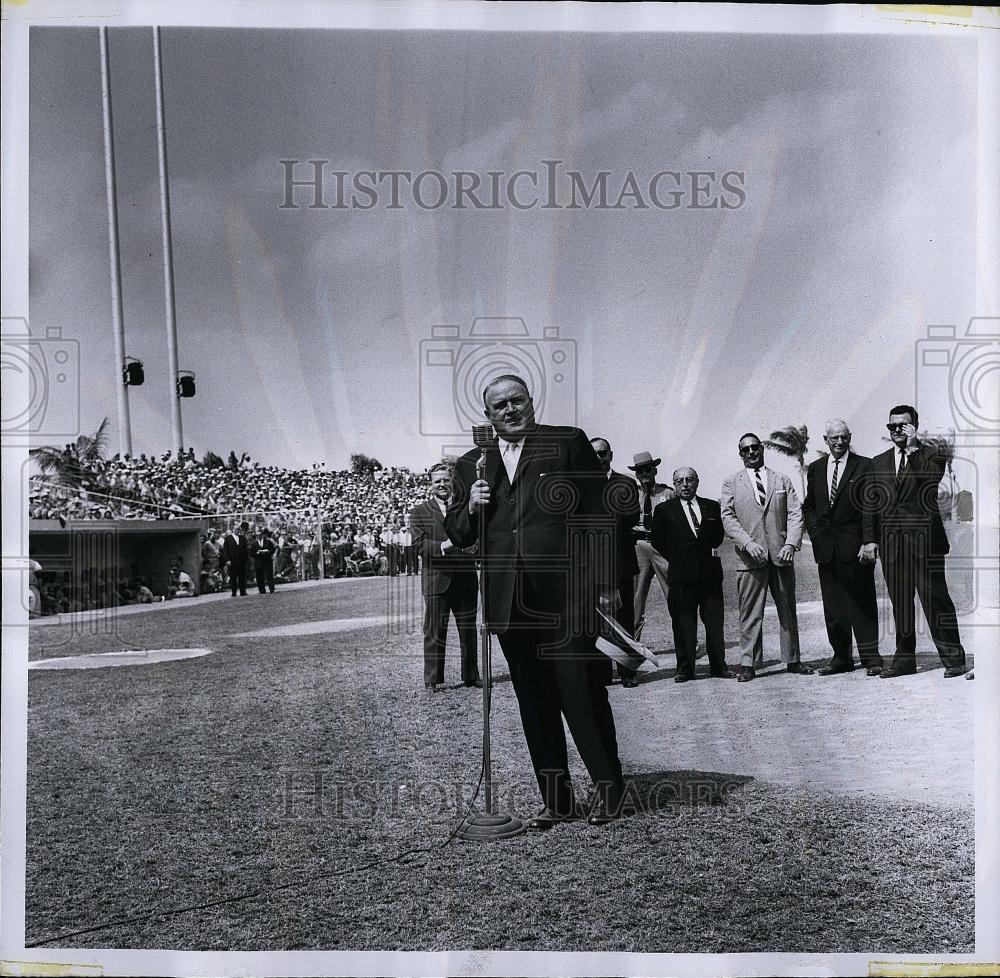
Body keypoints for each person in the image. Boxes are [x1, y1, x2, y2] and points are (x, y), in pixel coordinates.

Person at [446, 374, 624, 829]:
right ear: (488, 416)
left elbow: (598, 514)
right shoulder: (472, 464)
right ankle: (558, 800)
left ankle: (609, 792)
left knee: (579, 691)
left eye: (516, 401)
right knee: (533, 699)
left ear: (530, 401)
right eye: (499, 405)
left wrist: (603, 583)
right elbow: (461, 533)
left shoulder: (567, 442)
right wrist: (470, 507)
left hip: (566, 597)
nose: (509, 410)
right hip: (509, 600)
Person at [865, 405, 969, 678]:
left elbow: (930, 482)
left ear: (914, 426)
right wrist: (870, 540)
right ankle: (904, 661)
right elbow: (871, 506)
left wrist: (913, 450)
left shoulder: (932, 455)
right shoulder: (879, 462)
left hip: (925, 543)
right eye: (892, 426)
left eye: (902, 425)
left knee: (935, 600)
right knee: (900, 603)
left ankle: (954, 659)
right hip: (891, 545)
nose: (896, 430)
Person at [720, 433, 813, 682]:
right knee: (750, 612)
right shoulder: (731, 483)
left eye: (755, 447)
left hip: (780, 555)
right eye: (746, 449)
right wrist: (748, 543)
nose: (751, 452)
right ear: (741, 454)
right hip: (750, 558)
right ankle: (749, 663)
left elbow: (795, 513)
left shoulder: (781, 479)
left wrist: (791, 543)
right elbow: (728, 517)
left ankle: (793, 659)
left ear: (762, 449)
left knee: (787, 609)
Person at [802, 420, 883, 676]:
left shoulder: (864, 465)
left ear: (850, 437)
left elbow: (871, 506)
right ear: (825, 440)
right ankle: (841, 658)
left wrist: (869, 541)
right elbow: (810, 505)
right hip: (826, 549)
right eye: (834, 438)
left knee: (862, 604)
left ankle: (871, 658)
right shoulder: (815, 468)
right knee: (833, 608)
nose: (839, 442)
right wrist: (815, 532)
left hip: (856, 549)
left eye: (843, 437)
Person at [651, 467, 733, 682]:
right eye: (679, 481)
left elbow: (717, 537)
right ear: (674, 484)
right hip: (681, 576)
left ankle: (719, 666)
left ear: (697, 482)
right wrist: (679, 557)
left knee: (714, 622)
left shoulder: (711, 507)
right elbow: (658, 541)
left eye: (689, 480)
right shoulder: (664, 510)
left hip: (710, 575)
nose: (685, 485)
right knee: (683, 622)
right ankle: (685, 669)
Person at [409, 462, 481, 691]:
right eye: (437, 481)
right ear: (430, 485)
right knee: (434, 631)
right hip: (437, 580)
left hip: (465, 578)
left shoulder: (465, 507)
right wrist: (446, 545)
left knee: (468, 630)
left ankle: (471, 675)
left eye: (446, 480)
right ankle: (432, 679)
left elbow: (476, 534)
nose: (442, 484)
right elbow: (419, 546)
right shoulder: (419, 511)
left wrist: (475, 547)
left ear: (453, 482)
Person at [590, 437, 640, 687]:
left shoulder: (626, 483)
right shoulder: (579, 485)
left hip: (620, 560)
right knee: (595, 619)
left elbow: (631, 515)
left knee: (623, 616)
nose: (598, 458)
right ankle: (601, 673)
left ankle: (627, 671)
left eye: (602, 453)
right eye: (594, 454)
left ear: (610, 455)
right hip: (590, 564)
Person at [629, 451, 675, 640]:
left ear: (654, 470)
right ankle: (632, 643)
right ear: (637, 474)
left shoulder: (668, 493)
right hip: (639, 546)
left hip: (662, 547)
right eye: (640, 471)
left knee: (674, 594)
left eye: (648, 469)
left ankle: (687, 641)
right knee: (636, 598)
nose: (644, 473)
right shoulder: (631, 494)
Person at [221, 520, 250, 596]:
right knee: (233, 578)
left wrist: (246, 559)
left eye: (238, 529)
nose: (237, 531)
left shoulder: (243, 538)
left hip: (241, 561)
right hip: (232, 561)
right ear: (232, 530)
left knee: (242, 577)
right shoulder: (228, 539)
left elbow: (245, 550)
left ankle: (242, 592)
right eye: (235, 529)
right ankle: (234, 592)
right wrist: (227, 560)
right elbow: (225, 551)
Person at [254, 526, 277, 594]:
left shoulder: (269, 541)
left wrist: (270, 553)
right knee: (260, 576)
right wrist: (257, 553)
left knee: (269, 575)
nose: (262, 535)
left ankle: (271, 589)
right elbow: (252, 552)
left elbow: (274, 548)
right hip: (259, 561)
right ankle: (262, 590)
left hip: (267, 560)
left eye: (263, 534)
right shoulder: (255, 543)